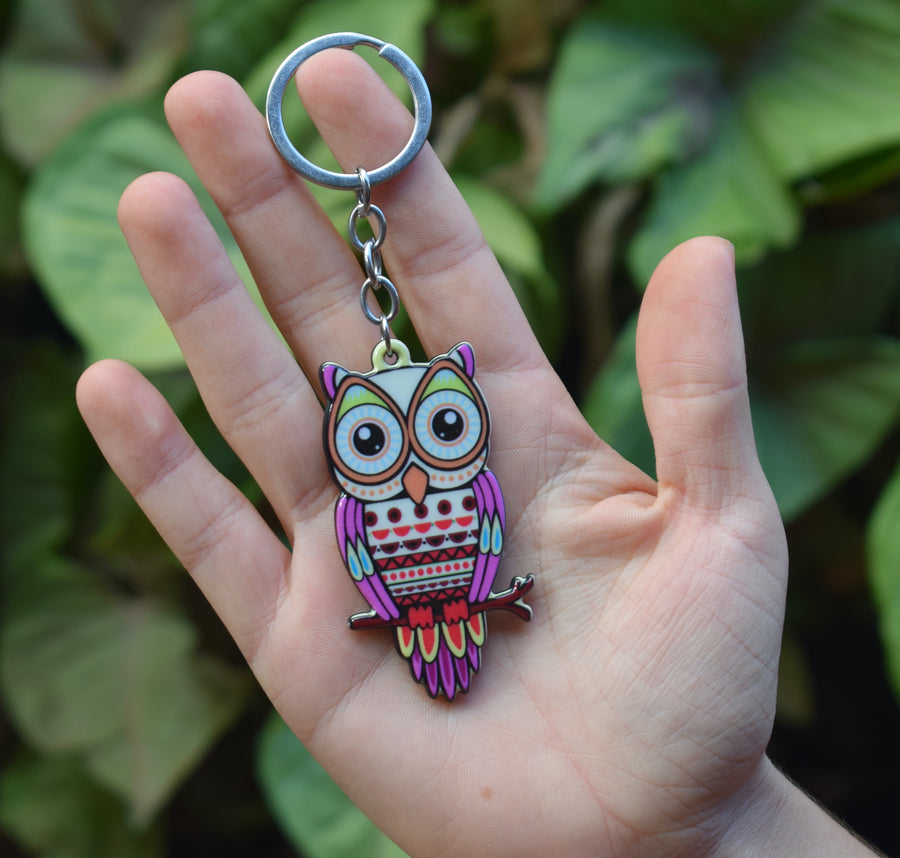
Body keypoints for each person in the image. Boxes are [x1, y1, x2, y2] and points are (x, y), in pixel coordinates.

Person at [75, 48, 881, 856]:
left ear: (464, 399)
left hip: (461, 607)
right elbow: (366, 555)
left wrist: (714, 826)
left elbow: (484, 545)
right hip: (420, 617)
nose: (416, 470)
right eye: (372, 440)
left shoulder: (480, 500)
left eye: (443, 428)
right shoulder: (362, 515)